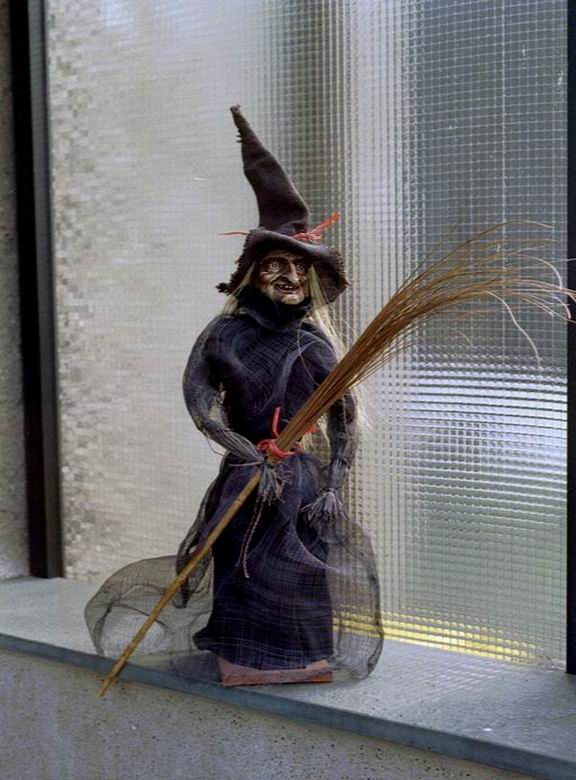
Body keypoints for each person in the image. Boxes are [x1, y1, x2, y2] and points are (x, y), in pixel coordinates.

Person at [85, 106, 383, 686]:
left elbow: (345, 418)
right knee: (242, 562)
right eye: (275, 265)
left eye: (298, 267)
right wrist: (250, 456)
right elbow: (201, 405)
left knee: (300, 568)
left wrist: (333, 484)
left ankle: (299, 659)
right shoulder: (225, 334)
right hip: (246, 477)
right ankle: (243, 657)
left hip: (300, 483)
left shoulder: (315, 344)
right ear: (253, 273)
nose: (288, 276)